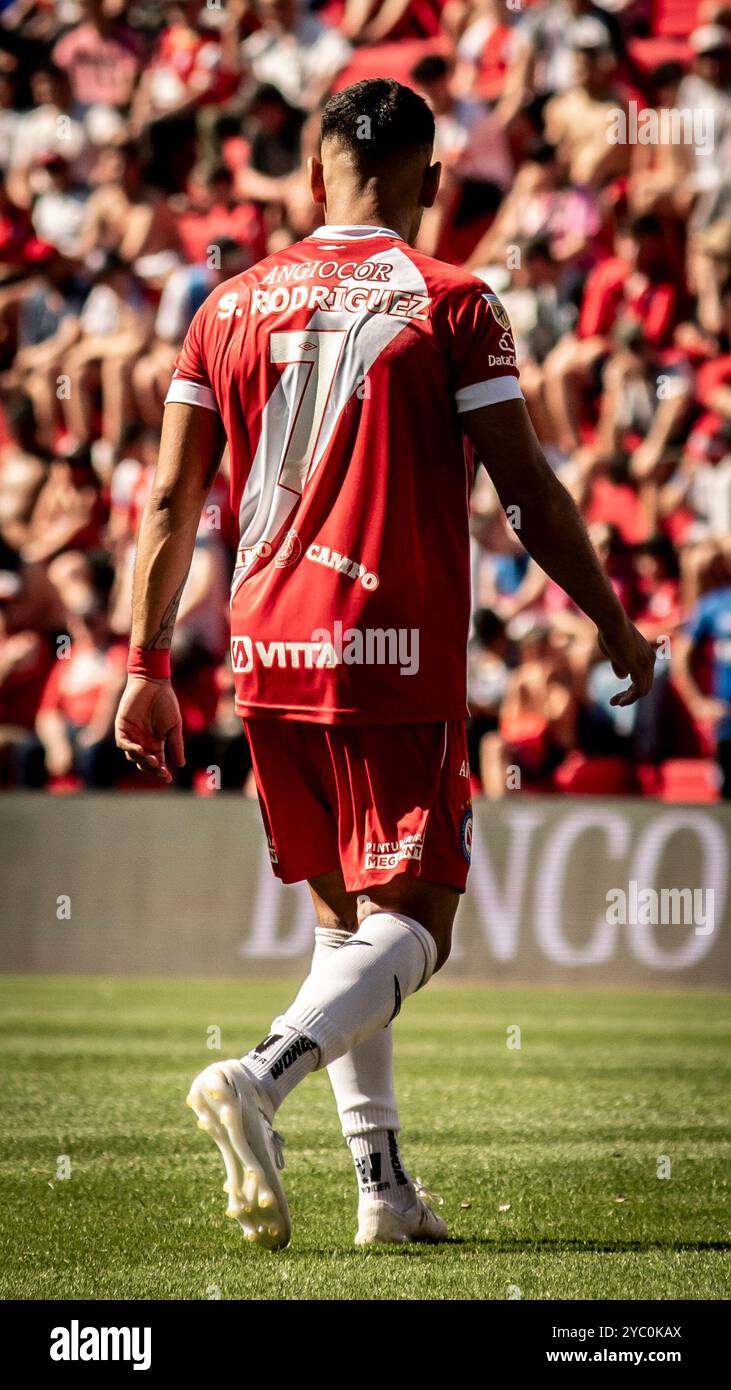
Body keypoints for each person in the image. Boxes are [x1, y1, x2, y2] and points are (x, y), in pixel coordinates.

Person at [114, 78, 656, 1251]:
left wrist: (145, 658)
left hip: (265, 653)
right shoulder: (450, 300)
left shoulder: (228, 305)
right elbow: (526, 494)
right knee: (419, 924)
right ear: (431, 182)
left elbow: (167, 495)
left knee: (345, 925)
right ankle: (258, 1076)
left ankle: (382, 1189)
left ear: (314, 178)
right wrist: (614, 626)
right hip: (386, 652)